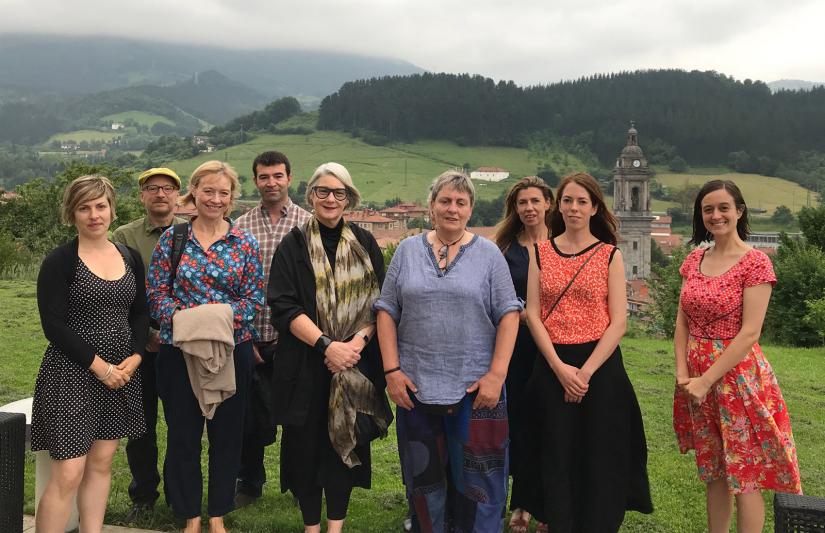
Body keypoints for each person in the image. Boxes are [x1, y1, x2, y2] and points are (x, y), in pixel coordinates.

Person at [375, 170, 521, 533]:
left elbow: (508, 314)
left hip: (478, 392)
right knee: (424, 484)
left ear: (470, 209)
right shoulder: (407, 251)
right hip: (416, 389)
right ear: (431, 206)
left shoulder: (488, 254)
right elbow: (387, 311)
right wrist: (392, 372)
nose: (452, 209)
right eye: (445, 201)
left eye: (460, 202)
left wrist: (496, 375)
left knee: (482, 486)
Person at [521, 171, 652, 532]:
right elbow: (532, 312)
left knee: (600, 455)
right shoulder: (540, 253)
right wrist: (559, 368)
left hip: (600, 368)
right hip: (551, 363)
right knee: (555, 453)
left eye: (582, 201)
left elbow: (619, 322)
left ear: (595, 207)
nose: (574, 207)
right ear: (557, 206)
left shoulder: (610, 255)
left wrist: (586, 372)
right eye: (567, 200)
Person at [673, 179, 801, 533]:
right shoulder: (694, 258)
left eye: (723, 208)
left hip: (737, 377)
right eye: (708, 209)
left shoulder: (755, 262)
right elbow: (681, 321)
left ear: (739, 211)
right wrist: (683, 373)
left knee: (744, 474)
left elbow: (750, 333)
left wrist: (705, 380)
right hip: (696, 375)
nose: (716, 215)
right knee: (714, 471)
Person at [268, 162, 389, 533]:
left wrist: (355, 343)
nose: (331, 199)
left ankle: (335, 525)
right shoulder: (293, 243)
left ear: (349, 198)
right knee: (305, 449)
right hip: (306, 366)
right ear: (312, 196)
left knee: (345, 443)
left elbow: (381, 303)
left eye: (339, 192)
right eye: (323, 191)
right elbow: (284, 306)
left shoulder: (365, 243)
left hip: (354, 363)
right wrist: (327, 346)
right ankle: (310, 526)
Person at [147, 161, 264, 533]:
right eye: (208, 191)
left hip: (232, 352)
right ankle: (189, 515)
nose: (215, 199)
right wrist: (192, 326)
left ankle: (216, 514)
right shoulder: (173, 239)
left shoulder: (244, 242)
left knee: (227, 435)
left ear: (232, 198)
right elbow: (156, 294)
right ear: (194, 192)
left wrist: (207, 321)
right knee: (183, 434)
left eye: (223, 192)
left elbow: (254, 299)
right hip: (178, 354)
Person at [31, 175, 148, 533]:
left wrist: (137, 355)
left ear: (112, 209)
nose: (94, 215)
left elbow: (140, 312)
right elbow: (54, 326)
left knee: (101, 462)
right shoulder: (60, 261)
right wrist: (101, 367)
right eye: (84, 207)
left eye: (101, 206)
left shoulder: (129, 256)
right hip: (72, 373)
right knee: (68, 470)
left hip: (120, 374)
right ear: (72, 213)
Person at [233, 151, 310, 507]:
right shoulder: (240, 226)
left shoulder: (307, 223)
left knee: (297, 416)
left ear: (289, 178)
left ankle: (297, 484)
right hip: (251, 335)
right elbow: (233, 285)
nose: (271, 183)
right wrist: (244, 337)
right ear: (256, 181)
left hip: (294, 339)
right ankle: (249, 482)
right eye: (264, 177)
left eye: (278, 175)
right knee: (250, 416)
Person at [111, 166, 187, 521]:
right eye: (152, 188)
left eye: (168, 188)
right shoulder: (124, 236)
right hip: (137, 346)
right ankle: (143, 496)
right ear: (142, 196)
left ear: (178, 195)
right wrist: (146, 336)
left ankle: (177, 496)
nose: (160, 194)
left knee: (180, 422)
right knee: (139, 425)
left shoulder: (192, 233)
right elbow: (120, 291)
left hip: (182, 344)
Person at [492, 176, 554, 533]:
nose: (529, 208)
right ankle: (521, 504)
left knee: (550, 425)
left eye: (535, 201)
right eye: (521, 203)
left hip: (555, 349)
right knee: (519, 425)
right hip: (516, 349)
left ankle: (547, 503)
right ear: (514, 209)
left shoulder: (563, 245)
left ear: (548, 203)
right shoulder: (503, 248)